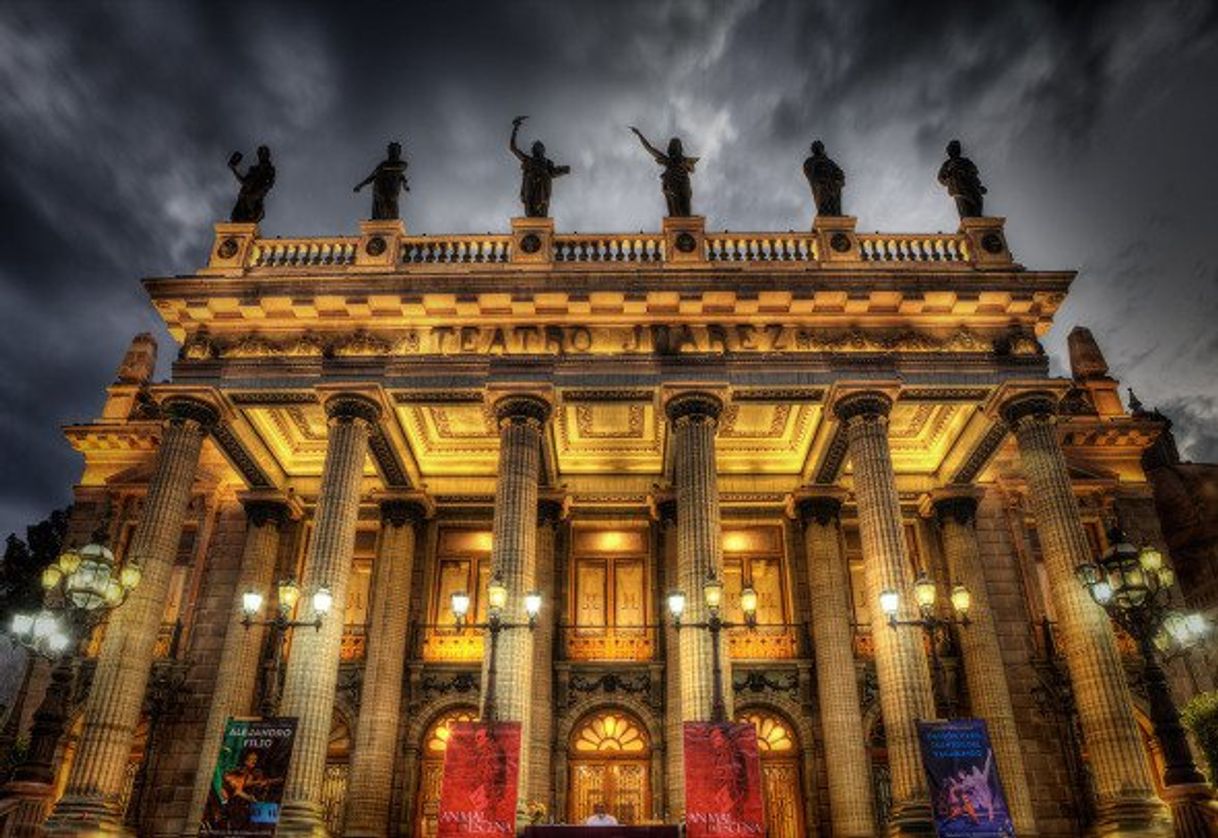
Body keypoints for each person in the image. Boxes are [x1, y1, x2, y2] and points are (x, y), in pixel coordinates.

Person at [630, 126, 698, 216]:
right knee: (675, 211)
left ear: (680, 148)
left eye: (677, 146)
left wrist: (686, 165)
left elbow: (693, 170)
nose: (675, 148)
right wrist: (639, 135)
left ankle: (686, 225)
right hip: (673, 186)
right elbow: (650, 149)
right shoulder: (667, 160)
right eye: (673, 146)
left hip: (684, 186)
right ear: (671, 149)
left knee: (686, 213)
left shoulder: (686, 160)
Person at [509, 116, 570, 217]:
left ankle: (540, 227)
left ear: (543, 150)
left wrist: (564, 169)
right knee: (529, 210)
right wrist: (515, 129)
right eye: (535, 147)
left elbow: (553, 172)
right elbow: (513, 148)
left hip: (543, 186)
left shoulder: (547, 163)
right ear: (533, 150)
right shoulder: (528, 160)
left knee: (542, 209)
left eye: (539, 147)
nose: (537, 149)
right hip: (530, 184)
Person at [354, 141, 409, 220]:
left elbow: (401, 169)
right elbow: (372, 176)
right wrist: (360, 185)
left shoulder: (401, 163)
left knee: (392, 205)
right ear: (388, 151)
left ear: (399, 152)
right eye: (391, 150)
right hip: (380, 188)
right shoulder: (382, 165)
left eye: (394, 150)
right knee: (380, 206)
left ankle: (392, 221)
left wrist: (405, 185)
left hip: (392, 188)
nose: (392, 152)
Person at [937, 139, 987, 219]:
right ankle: (969, 227)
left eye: (957, 148)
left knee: (977, 205)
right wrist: (950, 179)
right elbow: (940, 178)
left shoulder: (966, 162)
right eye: (952, 149)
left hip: (971, 188)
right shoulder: (947, 164)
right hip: (958, 189)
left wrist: (979, 186)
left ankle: (978, 224)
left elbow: (974, 174)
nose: (955, 150)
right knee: (965, 213)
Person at [227, 145, 275, 223]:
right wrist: (234, 170)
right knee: (235, 216)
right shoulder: (253, 169)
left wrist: (258, 193)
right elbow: (244, 182)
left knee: (250, 201)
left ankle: (252, 214)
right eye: (260, 154)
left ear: (268, 155)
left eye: (264, 154)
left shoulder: (270, 169)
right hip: (244, 196)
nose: (262, 156)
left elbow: (269, 184)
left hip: (256, 195)